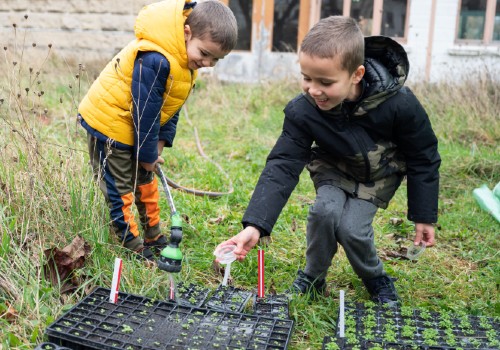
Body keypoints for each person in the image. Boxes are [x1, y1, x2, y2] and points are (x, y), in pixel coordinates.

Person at [215, 16, 440, 304]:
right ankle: (313, 277)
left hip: (378, 176)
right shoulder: (304, 110)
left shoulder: (399, 104)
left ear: (356, 75)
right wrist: (255, 225)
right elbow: (283, 164)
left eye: (326, 82)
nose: (313, 90)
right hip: (333, 168)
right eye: (306, 78)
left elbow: (424, 155)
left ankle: (375, 278)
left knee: (352, 230)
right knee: (324, 213)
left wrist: (423, 215)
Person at [78, 0, 237, 261]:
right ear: (187, 32)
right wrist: (148, 153)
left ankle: (153, 234)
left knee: (146, 180)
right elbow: (145, 113)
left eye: (216, 59)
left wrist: (159, 143)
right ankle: (132, 244)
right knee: (121, 187)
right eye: (205, 53)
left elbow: (170, 107)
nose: (208, 63)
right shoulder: (156, 58)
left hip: (134, 126)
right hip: (109, 124)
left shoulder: (186, 60)